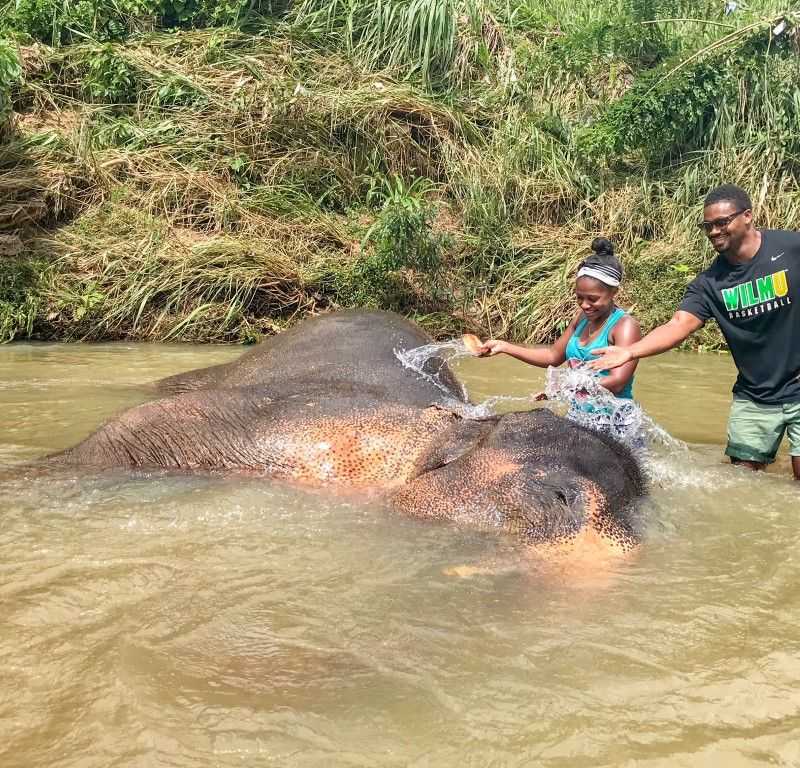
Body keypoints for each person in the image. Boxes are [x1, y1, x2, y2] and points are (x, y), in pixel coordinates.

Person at [590, 183, 800, 480]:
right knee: (744, 483)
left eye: (721, 222)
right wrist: (629, 351)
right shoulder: (709, 283)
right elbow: (678, 325)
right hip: (755, 395)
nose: (714, 231)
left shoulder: (790, 248)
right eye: (708, 226)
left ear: (748, 216)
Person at [476, 237, 642, 409]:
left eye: (593, 299)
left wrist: (563, 388)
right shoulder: (582, 319)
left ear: (614, 292)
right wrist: (504, 347)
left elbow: (617, 382)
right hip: (580, 417)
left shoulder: (624, 327)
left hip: (614, 421)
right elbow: (552, 356)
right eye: (579, 297)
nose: (584, 305)